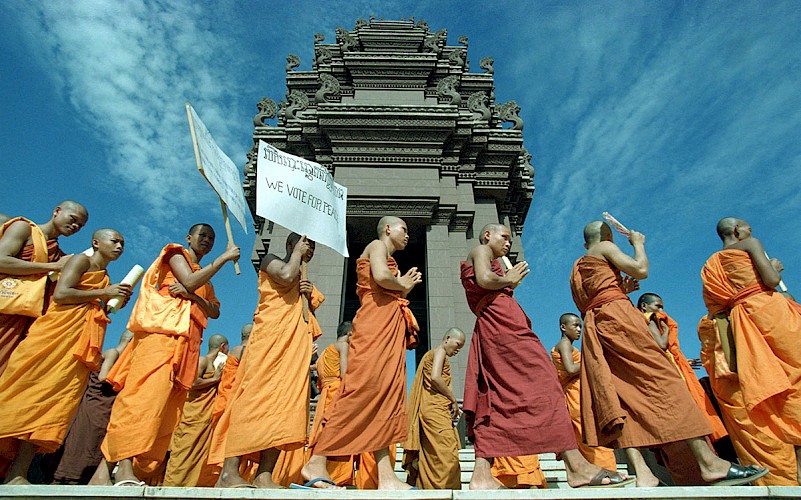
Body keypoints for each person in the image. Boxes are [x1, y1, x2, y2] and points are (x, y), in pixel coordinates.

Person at [570, 220, 767, 486]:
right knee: (666, 380)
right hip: (619, 318)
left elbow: (595, 295)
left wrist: (618, 288)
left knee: (621, 394)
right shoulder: (605, 246)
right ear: (607, 237)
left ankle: (643, 474)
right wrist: (638, 244)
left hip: (598, 325)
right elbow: (641, 270)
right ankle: (710, 463)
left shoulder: (578, 266)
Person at [462, 223, 632, 490]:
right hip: (503, 330)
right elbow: (484, 279)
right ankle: (576, 466)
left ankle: (482, 475)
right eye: (503, 237)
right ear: (487, 236)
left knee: (495, 397)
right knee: (545, 384)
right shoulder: (481, 250)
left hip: (500, 326)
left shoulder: (491, 257)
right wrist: (509, 279)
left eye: (509, 238)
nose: (507, 243)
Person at [93, 223, 239, 486]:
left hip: (186, 347)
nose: (207, 240)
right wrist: (222, 260)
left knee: (165, 411)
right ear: (189, 238)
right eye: (202, 236)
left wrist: (193, 298)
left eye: (212, 238)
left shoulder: (206, 281)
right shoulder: (175, 254)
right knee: (142, 401)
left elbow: (214, 310)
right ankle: (122, 466)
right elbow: (190, 281)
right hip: (161, 338)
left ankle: (112, 472)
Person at [0, 228, 131, 484]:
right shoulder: (80, 261)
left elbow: (90, 307)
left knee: (50, 408)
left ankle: (18, 473)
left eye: (122, 243)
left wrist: (109, 303)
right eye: (114, 240)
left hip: (75, 347)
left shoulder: (104, 277)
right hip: (50, 340)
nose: (119, 246)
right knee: (23, 396)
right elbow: (62, 294)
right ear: (96, 242)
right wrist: (103, 294)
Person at [302, 216, 422, 490]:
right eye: (403, 229)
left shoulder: (384, 250)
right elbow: (381, 276)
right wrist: (403, 284)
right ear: (388, 229)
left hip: (386, 321)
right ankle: (317, 461)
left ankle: (386, 477)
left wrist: (400, 286)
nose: (407, 235)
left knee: (383, 395)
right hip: (375, 322)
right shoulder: (378, 245)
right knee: (363, 389)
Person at [211, 233, 323, 489]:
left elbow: (304, 317)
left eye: (313, 246)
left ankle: (264, 474)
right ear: (290, 245)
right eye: (306, 244)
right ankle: (229, 472)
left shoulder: (303, 279)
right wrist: (296, 255)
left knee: (284, 407)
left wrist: (307, 296)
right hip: (268, 343)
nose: (310, 249)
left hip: (291, 349)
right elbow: (284, 276)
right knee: (252, 400)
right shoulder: (271, 261)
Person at [701, 217, 801, 482]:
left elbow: (715, 306)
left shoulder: (711, 264)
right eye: (747, 227)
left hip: (740, 323)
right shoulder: (750, 244)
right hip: (768, 312)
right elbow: (770, 280)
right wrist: (775, 267)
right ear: (736, 230)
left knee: (769, 384)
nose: (750, 230)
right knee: (794, 377)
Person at [638, 292, 729, 485]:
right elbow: (661, 345)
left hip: (662, 377)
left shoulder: (644, 321)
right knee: (686, 425)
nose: (662, 311)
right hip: (667, 383)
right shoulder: (649, 320)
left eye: (662, 307)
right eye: (657, 306)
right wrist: (668, 327)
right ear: (644, 307)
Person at [697, 316, 798, 485]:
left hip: (739, 387)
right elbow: (728, 361)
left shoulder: (723, 319)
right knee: (767, 438)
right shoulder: (717, 321)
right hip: (741, 386)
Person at [0, 201, 87, 375]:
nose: (75, 226)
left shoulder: (59, 255)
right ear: (57, 211)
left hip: (24, 316)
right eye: (73, 219)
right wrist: (53, 267)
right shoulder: (24, 229)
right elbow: (2, 261)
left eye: (80, 225)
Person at [51, 329, 135, 484]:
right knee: (84, 441)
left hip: (103, 409)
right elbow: (104, 376)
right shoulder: (113, 353)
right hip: (95, 407)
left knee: (95, 443)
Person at [550, 313, 617, 471]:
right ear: (563, 327)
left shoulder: (570, 346)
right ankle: (605, 468)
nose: (579, 329)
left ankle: (597, 468)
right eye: (575, 325)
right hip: (575, 395)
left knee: (586, 432)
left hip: (578, 392)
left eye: (580, 326)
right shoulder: (564, 344)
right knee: (588, 431)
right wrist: (593, 360)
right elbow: (571, 368)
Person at [402, 327, 465, 490]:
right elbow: (436, 377)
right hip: (434, 410)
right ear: (448, 338)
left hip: (432, 409)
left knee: (433, 454)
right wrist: (452, 399)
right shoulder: (440, 351)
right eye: (457, 344)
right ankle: (445, 488)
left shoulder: (434, 354)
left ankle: (430, 488)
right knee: (447, 453)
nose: (458, 349)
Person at [163, 334, 228, 487]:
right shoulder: (203, 360)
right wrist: (214, 379)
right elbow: (192, 383)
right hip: (193, 417)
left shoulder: (216, 363)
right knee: (183, 455)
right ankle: (174, 488)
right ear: (222, 347)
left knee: (202, 457)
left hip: (206, 419)